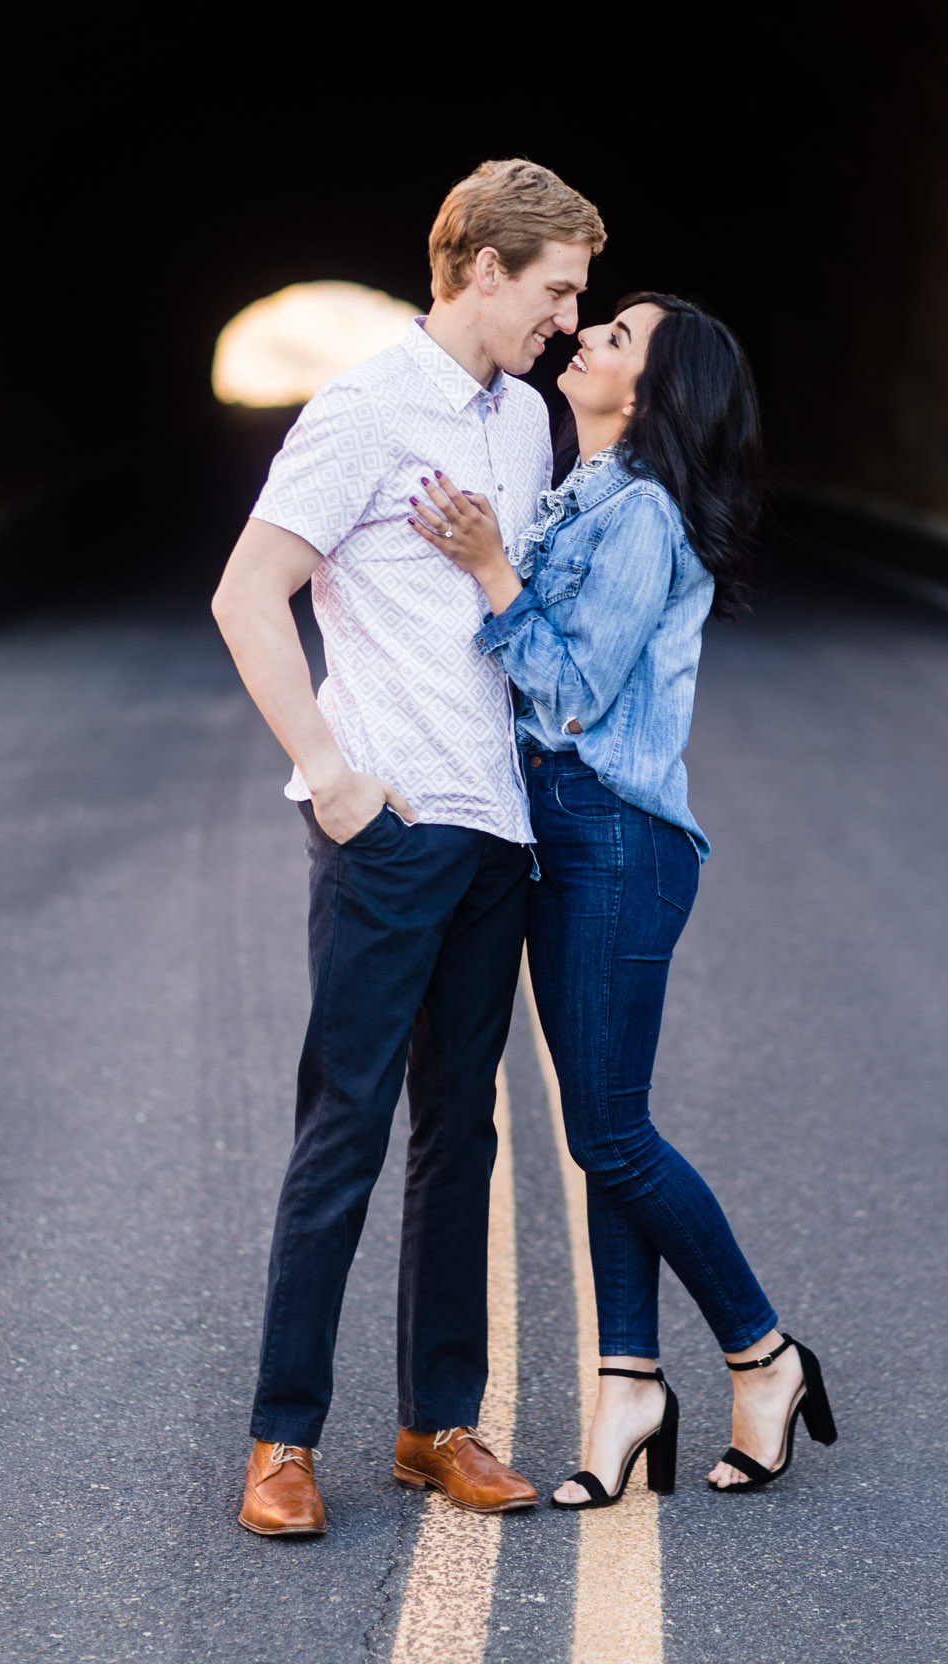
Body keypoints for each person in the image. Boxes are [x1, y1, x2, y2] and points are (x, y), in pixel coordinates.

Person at [211, 158, 606, 1536]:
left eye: (581, 298)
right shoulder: (365, 409)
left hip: (496, 829)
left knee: (466, 1136)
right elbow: (247, 593)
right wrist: (329, 777)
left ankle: (437, 1426)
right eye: (556, 291)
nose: (568, 319)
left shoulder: (527, 423)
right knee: (346, 1132)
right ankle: (280, 1442)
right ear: (483, 270)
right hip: (392, 834)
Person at [408, 291, 838, 1506]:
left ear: (653, 393)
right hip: (566, 836)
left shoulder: (639, 514)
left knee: (607, 1134)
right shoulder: (581, 494)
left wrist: (490, 568)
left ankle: (764, 1354)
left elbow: (575, 691)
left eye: (617, 338)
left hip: (617, 837)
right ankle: (626, 1392)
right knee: (608, 1121)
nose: (587, 335)